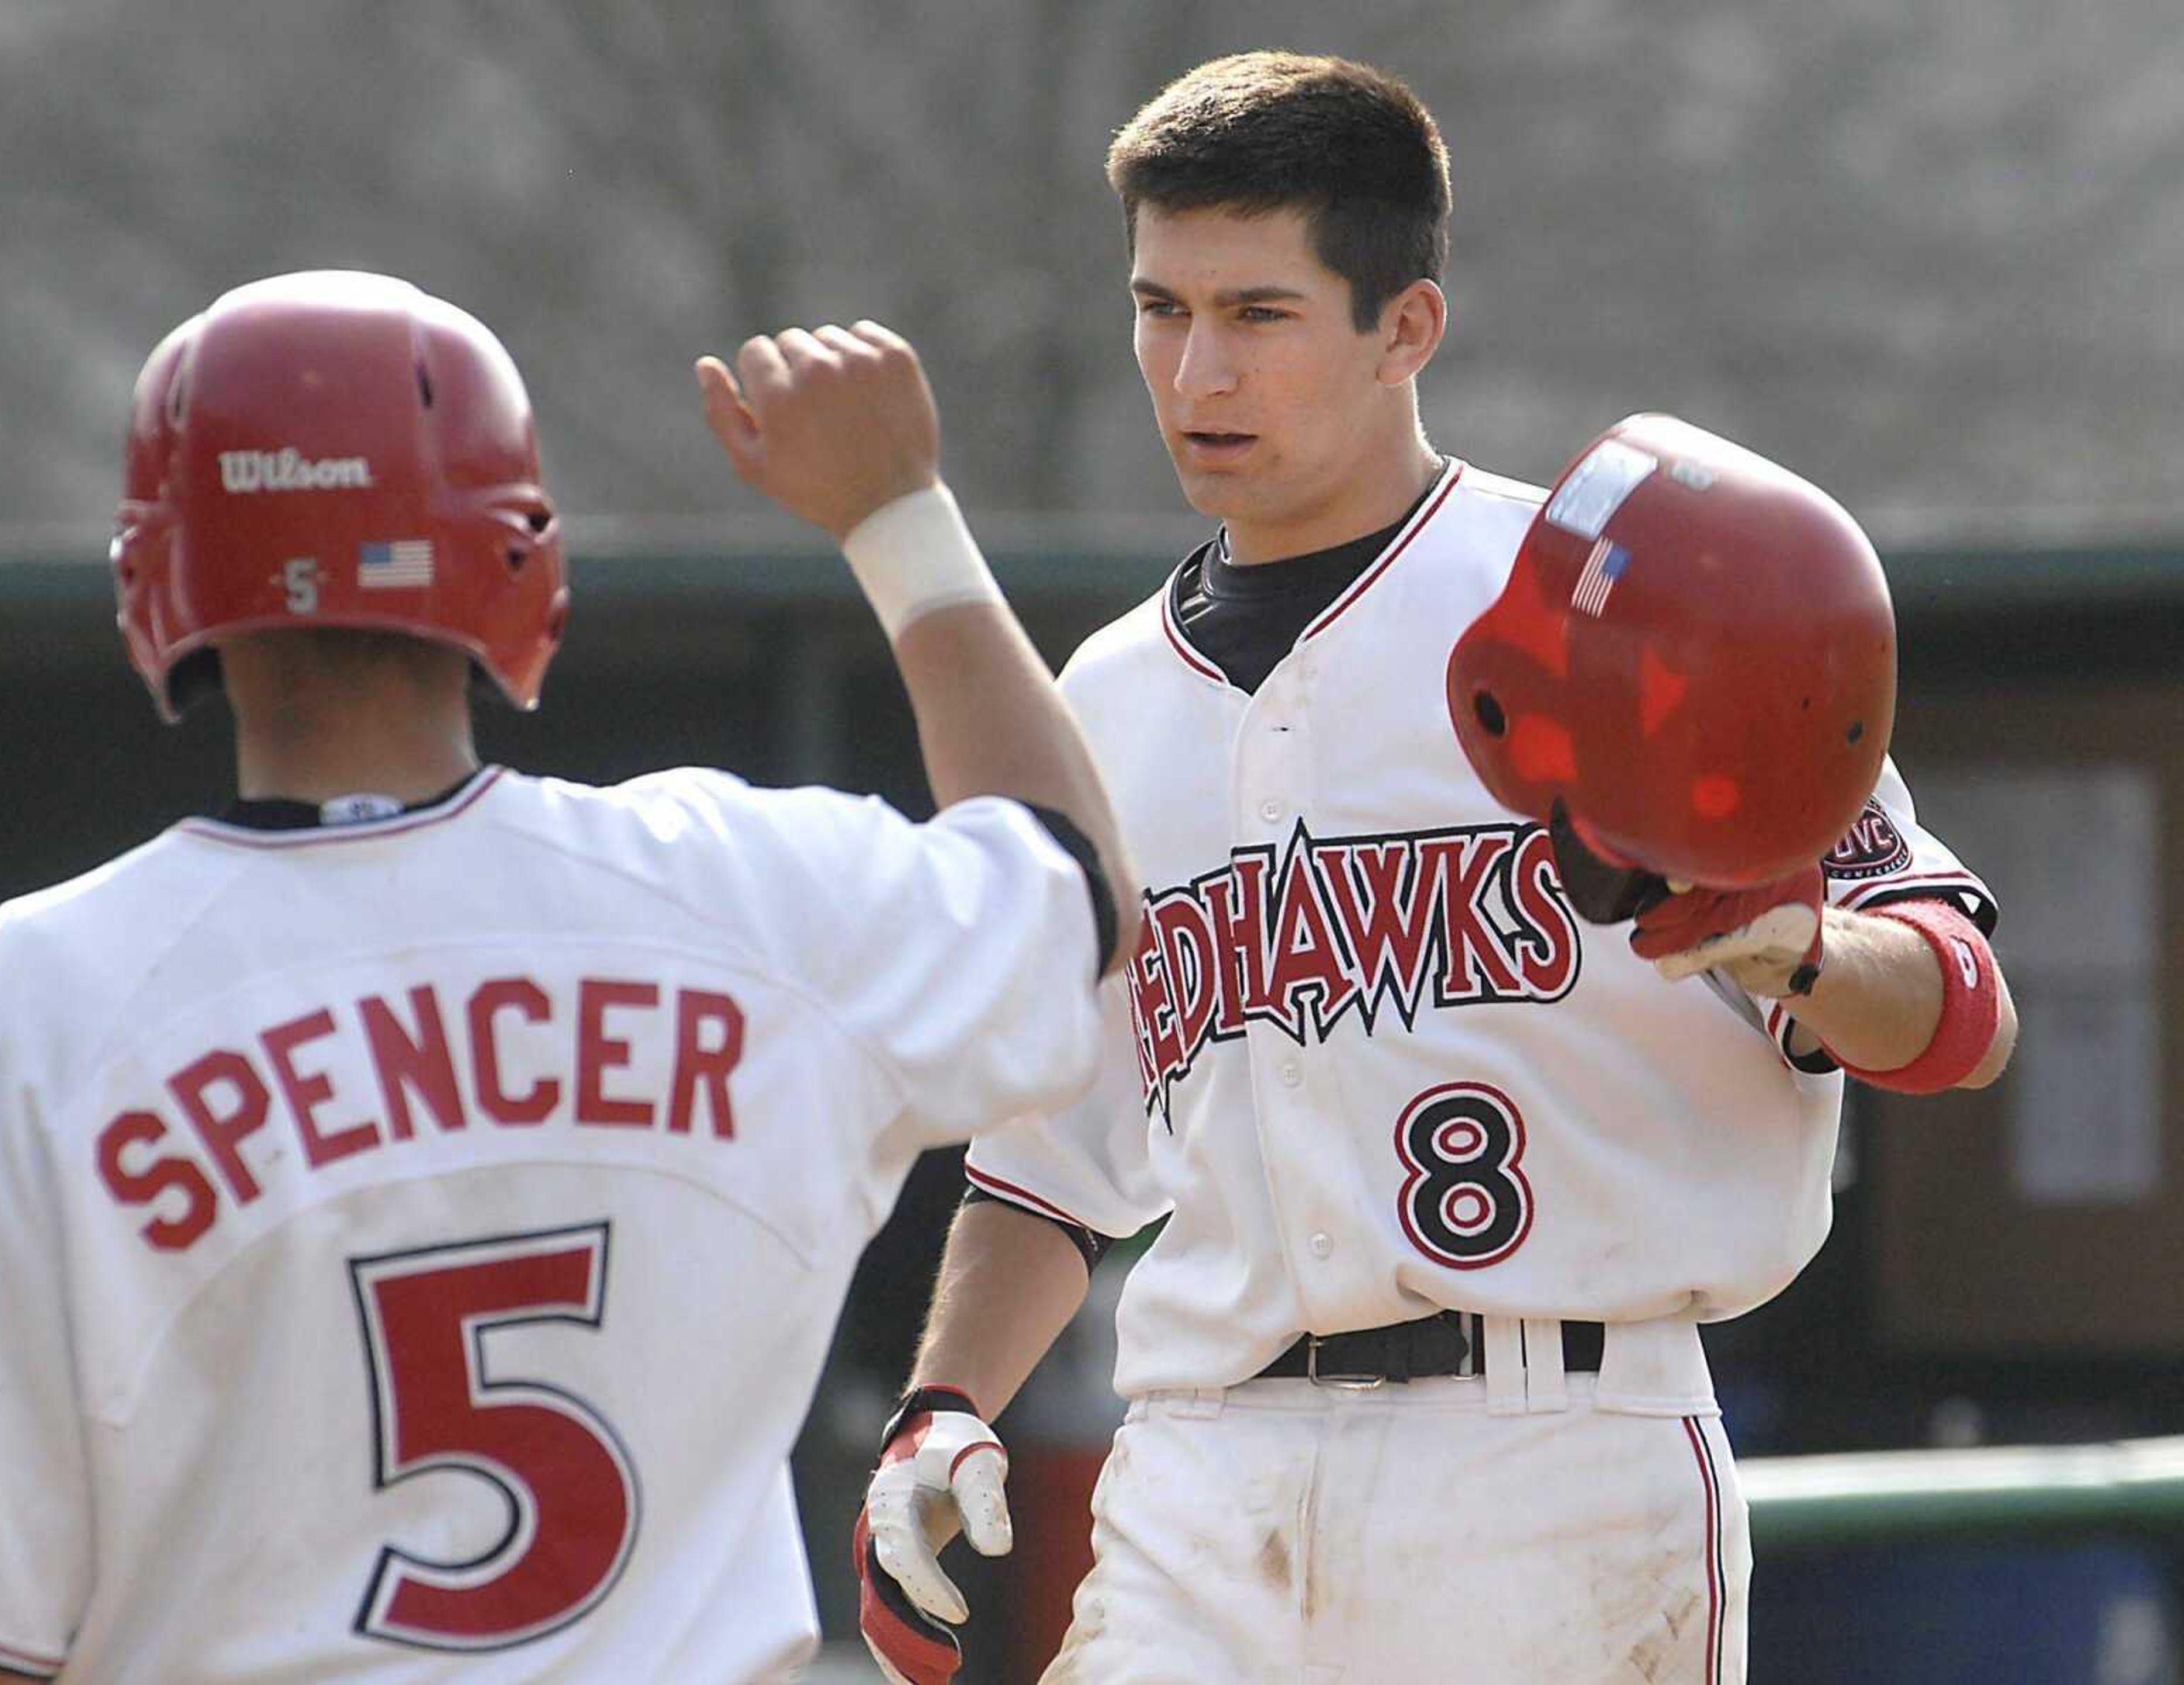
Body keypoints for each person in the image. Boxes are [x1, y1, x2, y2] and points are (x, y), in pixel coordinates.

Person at [854, 51, 2019, 1685]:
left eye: (1259, 313)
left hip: (1556, 1454)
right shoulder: (1101, 701)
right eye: (1159, 306)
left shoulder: (1615, 611)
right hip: (1205, 1469)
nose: (1196, 367)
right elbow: (1049, 1166)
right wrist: (942, 1402)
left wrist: (1795, 940)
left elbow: (1958, 1005)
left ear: (1405, 327)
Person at [0, 270, 1139, 1683]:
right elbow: (1072, 890)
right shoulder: (749, 898)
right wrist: (896, 512)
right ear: (514, 558)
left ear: (162, 573)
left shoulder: (50, 993)